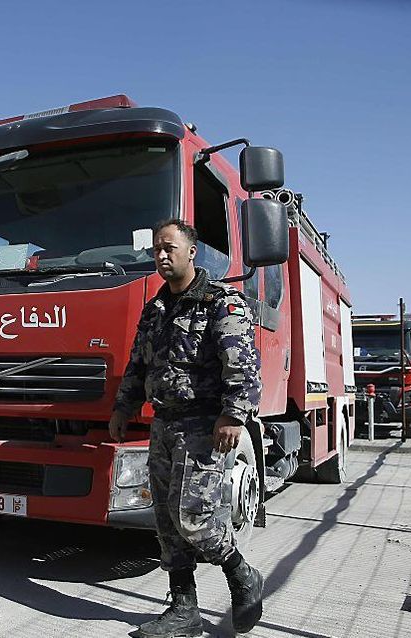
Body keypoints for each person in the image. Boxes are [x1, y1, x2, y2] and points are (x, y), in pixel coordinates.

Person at [109, 220, 264, 637]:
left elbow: (243, 365)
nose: (162, 255)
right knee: (165, 519)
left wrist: (234, 415)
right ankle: (184, 609)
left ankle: (241, 574)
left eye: (170, 247)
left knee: (193, 517)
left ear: (191, 252)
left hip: (205, 426)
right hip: (163, 423)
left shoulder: (221, 302)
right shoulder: (155, 309)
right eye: (156, 249)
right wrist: (123, 408)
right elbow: (138, 364)